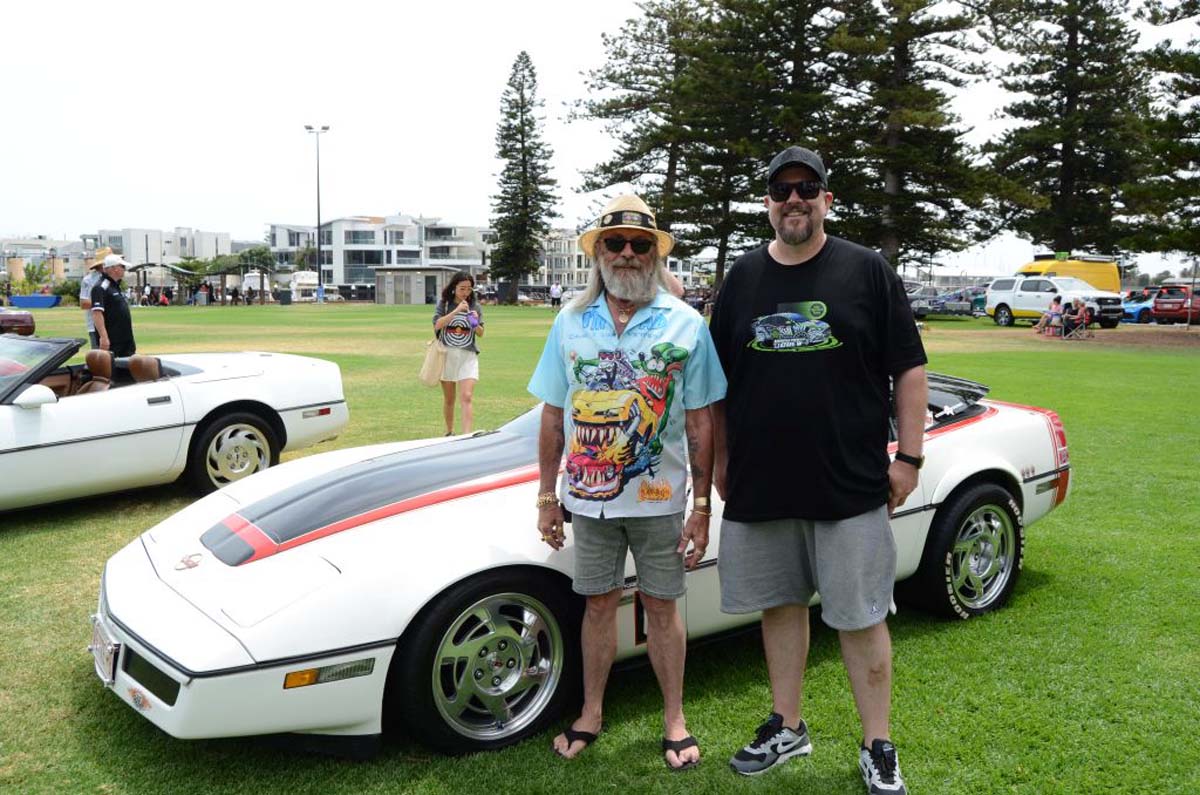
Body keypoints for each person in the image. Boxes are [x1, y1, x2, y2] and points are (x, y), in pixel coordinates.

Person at [709, 146, 927, 794]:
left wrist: (909, 458)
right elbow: (715, 383)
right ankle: (788, 724)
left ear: (827, 199)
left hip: (849, 482)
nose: (794, 199)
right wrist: (720, 460)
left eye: (807, 187)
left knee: (860, 615)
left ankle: (878, 743)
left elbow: (909, 369)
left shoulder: (867, 270)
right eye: (782, 190)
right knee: (779, 606)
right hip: (762, 481)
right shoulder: (742, 279)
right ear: (768, 204)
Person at [528, 193, 726, 771]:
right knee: (597, 605)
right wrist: (547, 496)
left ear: (656, 255)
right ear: (598, 253)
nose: (627, 253)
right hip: (587, 500)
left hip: (660, 499)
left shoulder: (686, 323)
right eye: (615, 243)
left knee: (662, 607)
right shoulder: (569, 322)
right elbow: (552, 413)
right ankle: (591, 712)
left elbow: (700, 420)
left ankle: (674, 720)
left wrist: (702, 508)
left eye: (641, 244)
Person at [432, 272, 485, 435]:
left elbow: (480, 333)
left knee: (467, 396)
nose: (465, 292)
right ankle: (449, 432)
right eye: (462, 288)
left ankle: (467, 435)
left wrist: (473, 321)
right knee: (449, 399)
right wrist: (457, 311)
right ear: (454, 287)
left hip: (468, 356)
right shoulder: (444, 304)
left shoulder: (475, 306)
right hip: (447, 356)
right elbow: (437, 325)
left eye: (469, 289)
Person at [91, 254, 137, 357]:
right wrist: (103, 337)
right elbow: (97, 313)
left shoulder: (115, 286)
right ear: (115, 268)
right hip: (113, 341)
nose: (124, 269)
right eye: (122, 267)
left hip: (125, 338)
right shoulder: (101, 287)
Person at [79, 255, 106, 348]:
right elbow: (84, 303)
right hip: (95, 327)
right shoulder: (89, 280)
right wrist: (105, 303)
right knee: (99, 355)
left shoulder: (112, 279)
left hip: (114, 325)